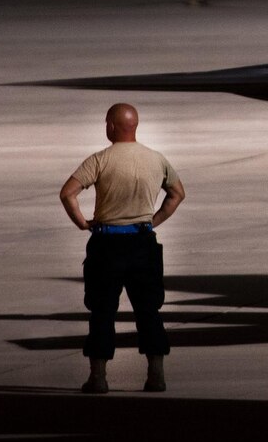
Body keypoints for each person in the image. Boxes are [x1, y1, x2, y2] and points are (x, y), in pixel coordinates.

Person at [57, 103, 185, 393]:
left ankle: (98, 377)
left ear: (112, 127)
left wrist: (82, 223)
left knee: (102, 311)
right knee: (149, 310)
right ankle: (156, 375)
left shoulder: (100, 160)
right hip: (142, 243)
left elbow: (68, 193)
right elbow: (177, 194)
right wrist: (154, 221)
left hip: (107, 244)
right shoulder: (156, 159)